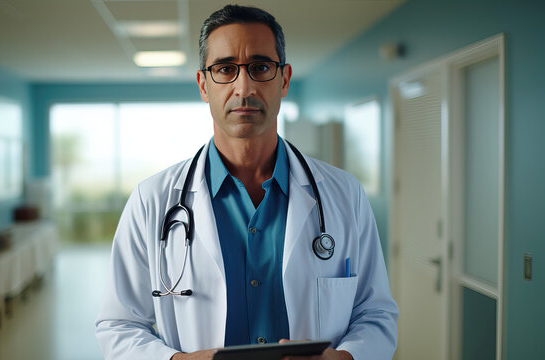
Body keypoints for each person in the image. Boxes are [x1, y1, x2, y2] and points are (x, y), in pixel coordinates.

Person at [95, 5, 398, 360]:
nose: (244, 87)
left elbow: (375, 312)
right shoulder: (152, 200)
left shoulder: (345, 194)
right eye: (225, 69)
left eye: (260, 67)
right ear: (203, 85)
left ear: (283, 80)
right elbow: (119, 325)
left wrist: (347, 357)